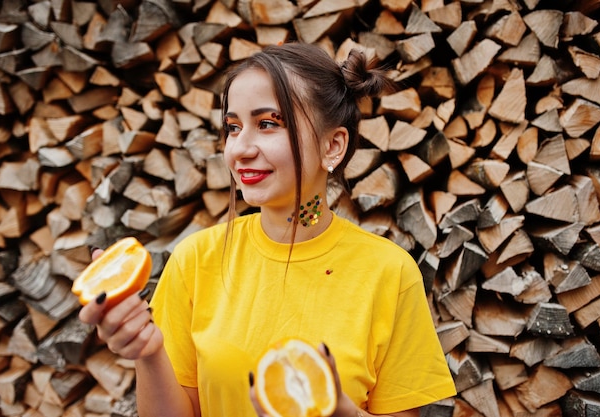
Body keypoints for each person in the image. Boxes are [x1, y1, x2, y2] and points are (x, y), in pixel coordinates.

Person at [79, 42, 456, 417]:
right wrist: (148, 353)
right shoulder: (195, 261)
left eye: (268, 124)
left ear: (333, 146)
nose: (239, 149)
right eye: (233, 127)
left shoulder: (389, 273)